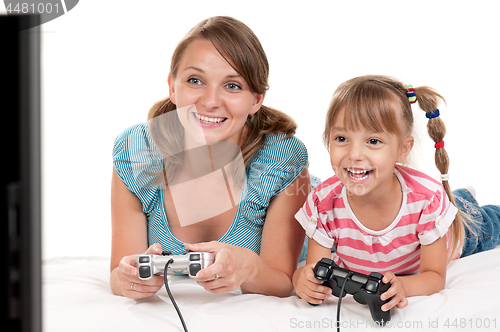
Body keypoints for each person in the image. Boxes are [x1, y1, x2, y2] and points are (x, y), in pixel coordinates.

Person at [110, 16, 310, 299]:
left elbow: (281, 282)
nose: (210, 101)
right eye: (195, 80)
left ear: (256, 99)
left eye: (232, 86)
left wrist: (249, 269)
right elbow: (119, 275)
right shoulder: (137, 150)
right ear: (172, 87)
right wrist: (131, 280)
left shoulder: (284, 158)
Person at [292, 75, 500, 312]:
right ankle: (460, 197)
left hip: (453, 235)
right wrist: (302, 280)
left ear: (402, 149)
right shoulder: (323, 203)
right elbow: (318, 270)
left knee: (485, 223)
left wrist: (403, 285)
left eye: (373, 140)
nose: (355, 154)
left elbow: (434, 276)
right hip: (428, 219)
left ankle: (461, 204)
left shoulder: (426, 200)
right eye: (342, 138)